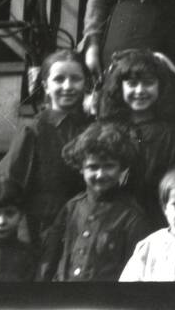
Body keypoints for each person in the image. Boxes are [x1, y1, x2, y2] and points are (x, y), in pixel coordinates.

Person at [39, 121, 154, 282]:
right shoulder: (71, 208)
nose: (100, 174)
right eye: (93, 167)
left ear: (122, 168)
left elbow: (136, 271)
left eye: (109, 166)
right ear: (81, 168)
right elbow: (50, 258)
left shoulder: (132, 216)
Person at [96, 49, 175, 221]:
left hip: (153, 213)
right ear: (120, 87)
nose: (140, 90)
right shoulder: (110, 129)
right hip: (112, 214)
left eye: (148, 83)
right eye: (132, 84)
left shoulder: (169, 135)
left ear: (160, 86)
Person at [5, 49, 90, 244]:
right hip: (43, 229)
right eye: (59, 79)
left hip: (85, 226)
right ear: (45, 86)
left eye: (75, 79)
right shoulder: (33, 131)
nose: (67, 86)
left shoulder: (93, 128)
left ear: (85, 83)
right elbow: (15, 186)